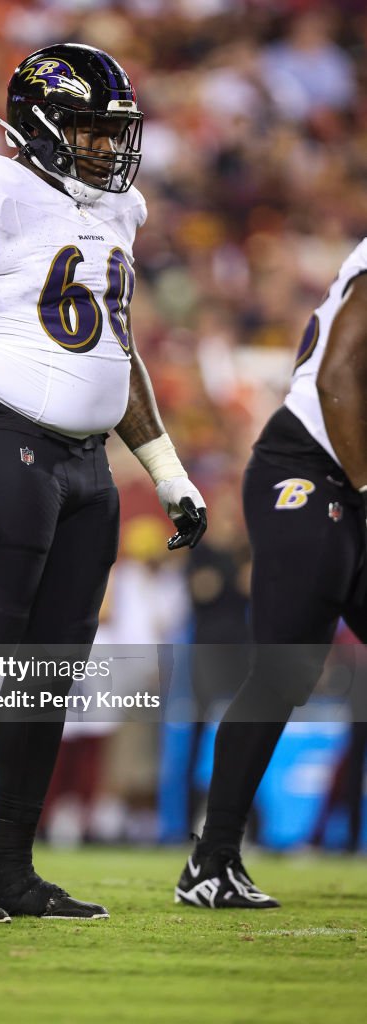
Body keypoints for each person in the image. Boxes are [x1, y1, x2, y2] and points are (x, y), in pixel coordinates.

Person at [0, 42, 207, 923]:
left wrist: (168, 470)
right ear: (39, 122)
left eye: (116, 132)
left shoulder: (119, 210)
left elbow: (118, 352)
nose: (109, 149)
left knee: (48, 673)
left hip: (84, 465)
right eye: (89, 128)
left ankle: (10, 866)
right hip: (1, 441)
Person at [175, 238, 367, 909]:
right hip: (310, 470)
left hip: (350, 479)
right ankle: (211, 860)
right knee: (285, 668)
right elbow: (340, 375)